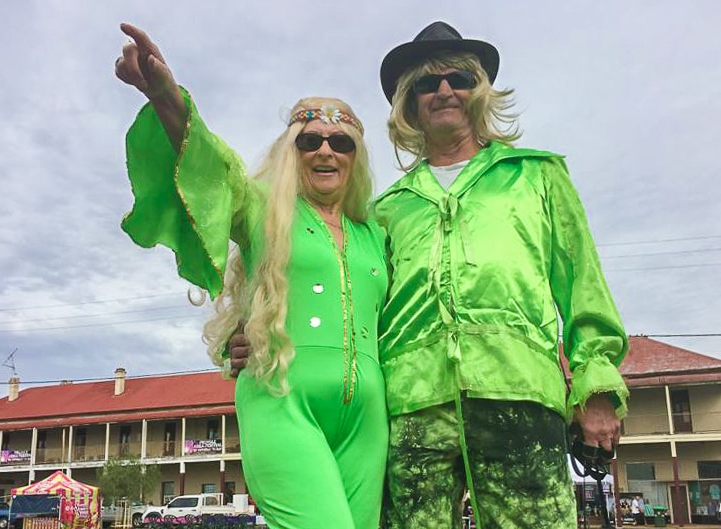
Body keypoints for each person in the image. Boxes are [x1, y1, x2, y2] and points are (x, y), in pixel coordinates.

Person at [230, 21, 630, 529]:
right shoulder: (385, 212)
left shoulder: (537, 177)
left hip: (518, 398)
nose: (444, 91)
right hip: (411, 413)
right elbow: (349, 295)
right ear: (408, 103)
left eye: (459, 78)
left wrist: (596, 387)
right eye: (426, 83)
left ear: (480, 91)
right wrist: (256, 334)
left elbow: (583, 288)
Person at [114, 23, 388, 529]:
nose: (325, 151)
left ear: (356, 156)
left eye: (340, 142)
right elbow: (213, 171)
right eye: (310, 140)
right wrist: (166, 98)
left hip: (368, 423)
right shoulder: (265, 209)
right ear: (293, 150)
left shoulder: (376, 234)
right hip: (282, 401)